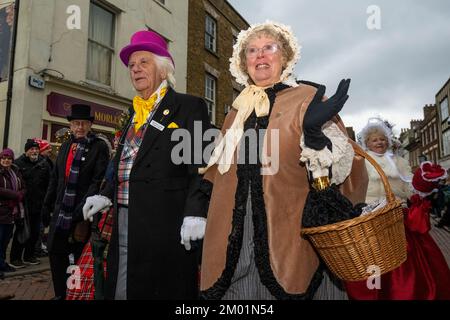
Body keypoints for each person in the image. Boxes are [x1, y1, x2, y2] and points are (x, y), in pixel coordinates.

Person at [198, 21, 368, 300]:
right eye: (252, 51)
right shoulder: (237, 110)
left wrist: (315, 138)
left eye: (269, 48)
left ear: (285, 56)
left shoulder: (309, 98)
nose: (260, 56)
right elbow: (218, 170)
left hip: (292, 234)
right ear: (244, 62)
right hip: (236, 238)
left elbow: (346, 168)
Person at [82, 30, 211, 300]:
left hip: (166, 222)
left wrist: (196, 211)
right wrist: (105, 195)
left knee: (163, 289)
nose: (135, 69)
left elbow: (201, 164)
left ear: (163, 70)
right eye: (131, 65)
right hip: (125, 217)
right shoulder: (134, 111)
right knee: (123, 288)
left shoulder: (189, 107)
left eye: (144, 62)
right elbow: (126, 160)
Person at [345, 119, 450, 300]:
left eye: (382, 139)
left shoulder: (399, 161)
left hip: (397, 215)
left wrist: (423, 183)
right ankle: (375, 292)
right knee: (373, 259)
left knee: (408, 257)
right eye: (374, 140)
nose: (380, 143)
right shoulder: (358, 161)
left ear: (388, 141)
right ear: (367, 142)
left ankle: (407, 293)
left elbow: (411, 188)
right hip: (369, 217)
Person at [41, 104, 110, 300]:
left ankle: (74, 295)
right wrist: (47, 206)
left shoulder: (99, 147)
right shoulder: (64, 146)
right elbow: (55, 179)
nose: (79, 127)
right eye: (75, 123)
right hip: (60, 213)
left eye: (84, 123)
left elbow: (97, 181)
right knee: (56, 254)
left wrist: (79, 213)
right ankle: (61, 294)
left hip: (82, 215)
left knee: (77, 259)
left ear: (89, 125)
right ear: (70, 125)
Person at [10, 139, 50, 267]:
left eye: (36, 149)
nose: (34, 151)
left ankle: (29, 255)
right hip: (23, 205)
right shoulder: (17, 164)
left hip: (38, 204)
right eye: (31, 149)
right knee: (21, 232)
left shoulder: (44, 164)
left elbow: (49, 183)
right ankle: (15, 258)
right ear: (26, 151)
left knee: (34, 232)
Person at [0, 148, 25, 276]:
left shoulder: (15, 171)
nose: (6, 160)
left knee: (5, 241)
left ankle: (2, 263)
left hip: (12, 212)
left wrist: (21, 194)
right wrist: (16, 195)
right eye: (3, 158)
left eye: (9, 158)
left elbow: (23, 187)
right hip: (1, 211)